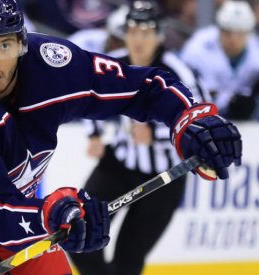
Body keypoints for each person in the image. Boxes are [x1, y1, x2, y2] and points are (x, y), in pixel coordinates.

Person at [0, 0, 242, 274]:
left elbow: (141, 88)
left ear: (22, 42)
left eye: (4, 45)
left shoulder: (54, 65)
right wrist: (55, 211)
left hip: (8, 201)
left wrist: (188, 119)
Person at [68, 1, 211, 275]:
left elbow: (200, 118)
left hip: (164, 178)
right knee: (79, 235)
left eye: (146, 33)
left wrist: (157, 134)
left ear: (158, 36)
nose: (138, 40)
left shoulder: (178, 71)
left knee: (128, 263)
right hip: (119, 164)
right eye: (133, 31)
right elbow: (85, 96)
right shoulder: (114, 63)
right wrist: (94, 135)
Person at [180, 0, 259, 120]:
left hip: (247, 118)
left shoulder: (256, 51)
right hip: (202, 114)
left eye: (239, 33)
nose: (233, 39)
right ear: (219, 28)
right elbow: (182, 80)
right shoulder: (198, 46)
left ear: (249, 32)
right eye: (228, 32)